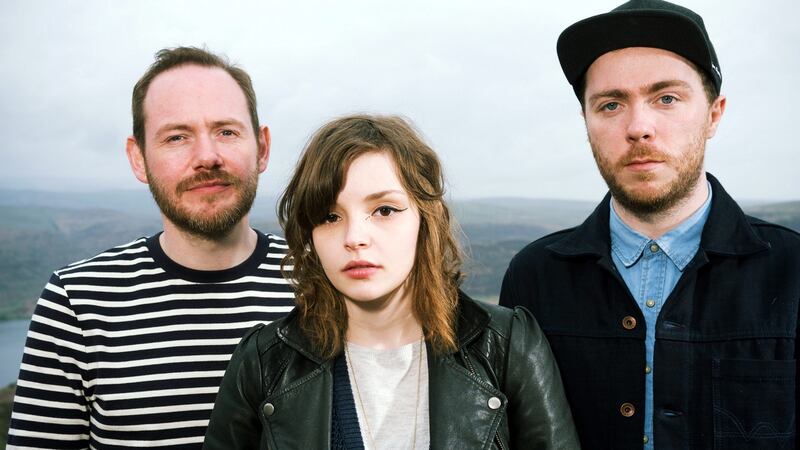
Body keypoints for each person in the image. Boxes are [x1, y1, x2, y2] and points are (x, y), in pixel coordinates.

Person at [499, 1, 799, 449]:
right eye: (611, 104)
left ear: (714, 114)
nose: (639, 127)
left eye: (667, 98)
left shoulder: (793, 271)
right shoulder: (534, 277)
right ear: (587, 121)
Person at [203, 115, 580, 449]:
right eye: (330, 216)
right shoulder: (263, 362)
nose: (355, 236)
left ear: (424, 219)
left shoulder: (509, 346)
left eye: (384, 210)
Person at [6, 47, 294, 448]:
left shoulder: (324, 281)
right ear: (138, 159)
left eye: (226, 131)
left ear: (262, 147)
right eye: (177, 137)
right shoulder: (75, 304)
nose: (207, 157)